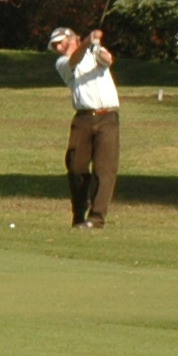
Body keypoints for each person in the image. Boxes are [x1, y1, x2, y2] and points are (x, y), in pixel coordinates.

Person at [52, 25, 120, 229]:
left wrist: (96, 45)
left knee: (104, 170)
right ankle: (79, 211)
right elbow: (75, 60)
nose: (58, 48)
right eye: (54, 45)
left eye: (61, 42)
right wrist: (88, 41)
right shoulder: (63, 62)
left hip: (108, 116)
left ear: (73, 39)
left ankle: (96, 219)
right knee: (76, 167)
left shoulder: (94, 52)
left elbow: (108, 61)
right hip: (83, 119)